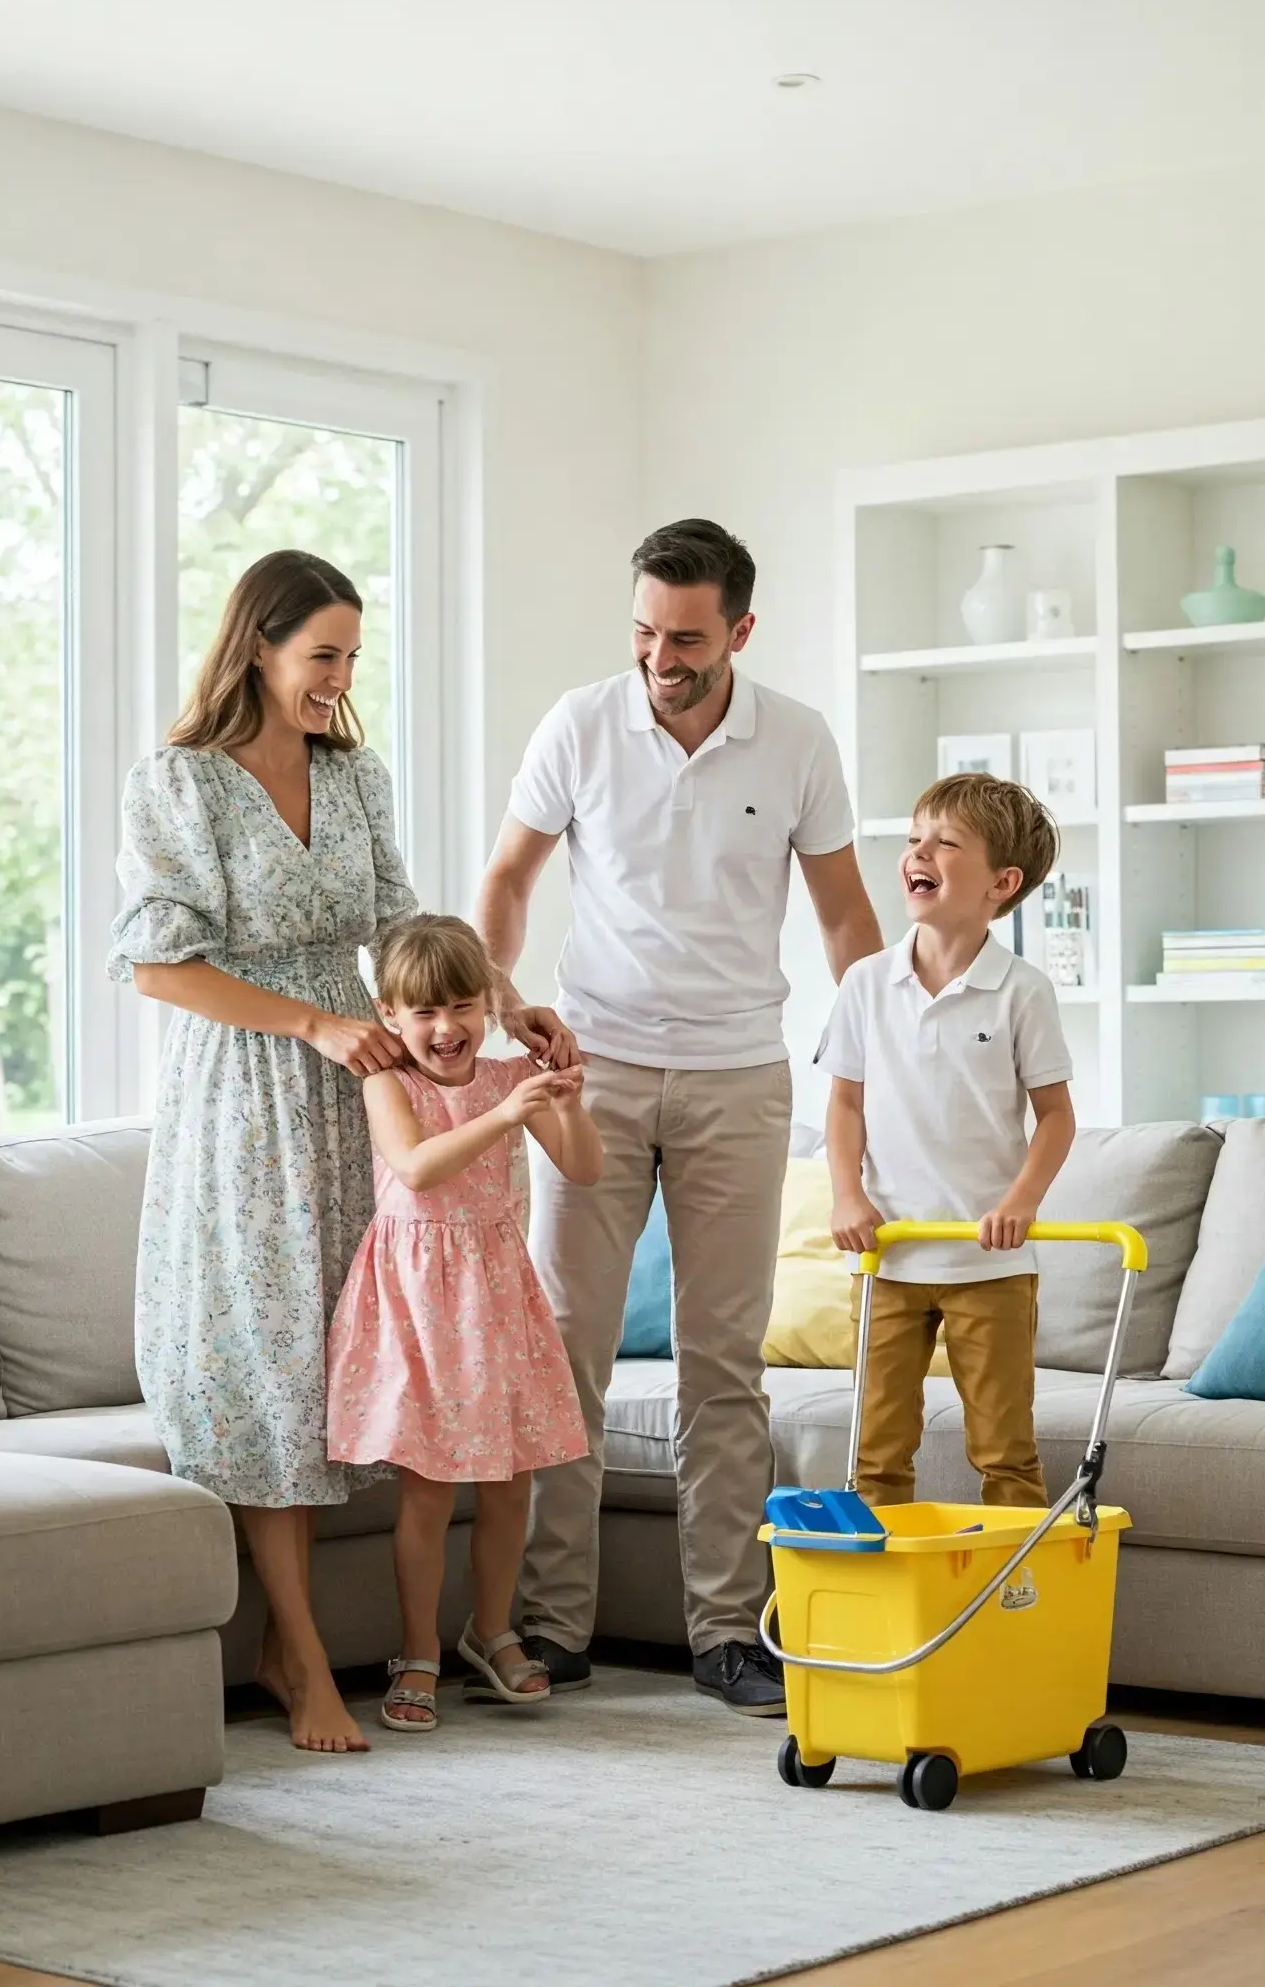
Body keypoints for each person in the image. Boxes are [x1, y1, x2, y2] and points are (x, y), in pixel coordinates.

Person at [109, 550, 571, 1755]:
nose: (339, 678)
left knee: (336, 1346)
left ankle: (294, 1640)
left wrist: (505, 1003)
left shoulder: (352, 772)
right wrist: (315, 1020)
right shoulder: (182, 781)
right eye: (323, 655)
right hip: (253, 1088)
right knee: (270, 1353)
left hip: (367, 1084)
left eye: (352, 656)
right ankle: (299, 1648)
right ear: (255, 646)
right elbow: (157, 962)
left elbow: (405, 929)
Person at [476, 517, 883, 1716]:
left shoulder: (796, 740)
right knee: (565, 1355)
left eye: (688, 637)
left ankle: (724, 1629)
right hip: (589, 1073)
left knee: (721, 1362)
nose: (661, 654)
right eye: (646, 630)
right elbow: (507, 876)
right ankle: (551, 1625)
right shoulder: (579, 723)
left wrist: (866, 1061)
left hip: (737, 1079)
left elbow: (844, 915)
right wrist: (505, 999)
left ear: (740, 632)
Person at [325, 915, 599, 1733]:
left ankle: (492, 1630)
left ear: (488, 1004)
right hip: (418, 1301)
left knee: (511, 1480)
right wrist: (508, 1113)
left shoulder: (513, 1074)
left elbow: (584, 1168)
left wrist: (569, 1100)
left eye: (462, 1008)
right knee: (430, 1488)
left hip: (497, 1293)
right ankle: (417, 1652)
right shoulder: (389, 1080)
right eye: (423, 1013)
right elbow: (415, 1168)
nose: (445, 1030)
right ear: (390, 1015)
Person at [820, 772, 1077, 1510]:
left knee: (1004, 1451)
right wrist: (846, 1193)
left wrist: (1020, 1201)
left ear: (1002, 881)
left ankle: (1018, 1605)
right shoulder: (865, 984)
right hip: (887, 1255)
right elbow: (843, 1103)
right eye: (913, 839)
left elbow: (1057, 1116)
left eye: (944, 842)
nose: (917, 853)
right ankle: (887, 1612)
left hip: (989, 1264)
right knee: (874, 1452)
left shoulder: (1022, 989)